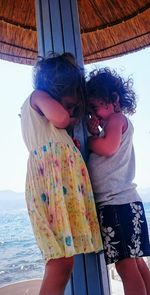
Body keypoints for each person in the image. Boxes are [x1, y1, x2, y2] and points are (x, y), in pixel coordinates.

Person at [20, 52, 102, 295]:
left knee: (64, 262)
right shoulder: (37, 97)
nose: (71, 109)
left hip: (61, 194)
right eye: (69, 102)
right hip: (49, 190)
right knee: (60, 261)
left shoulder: (54, 125)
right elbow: (60, 117)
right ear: (56, 87)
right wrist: (70, 117)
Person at [86, 68, 150, 295]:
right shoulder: (117, 122)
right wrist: (98, 132)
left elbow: (107, 147)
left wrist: (90, 141)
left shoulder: (115, 119)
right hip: (127, 205)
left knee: (126, 268)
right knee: (136, 264)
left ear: (114, 100)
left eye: (95, 108)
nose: (94, 115)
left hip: (116, 206)